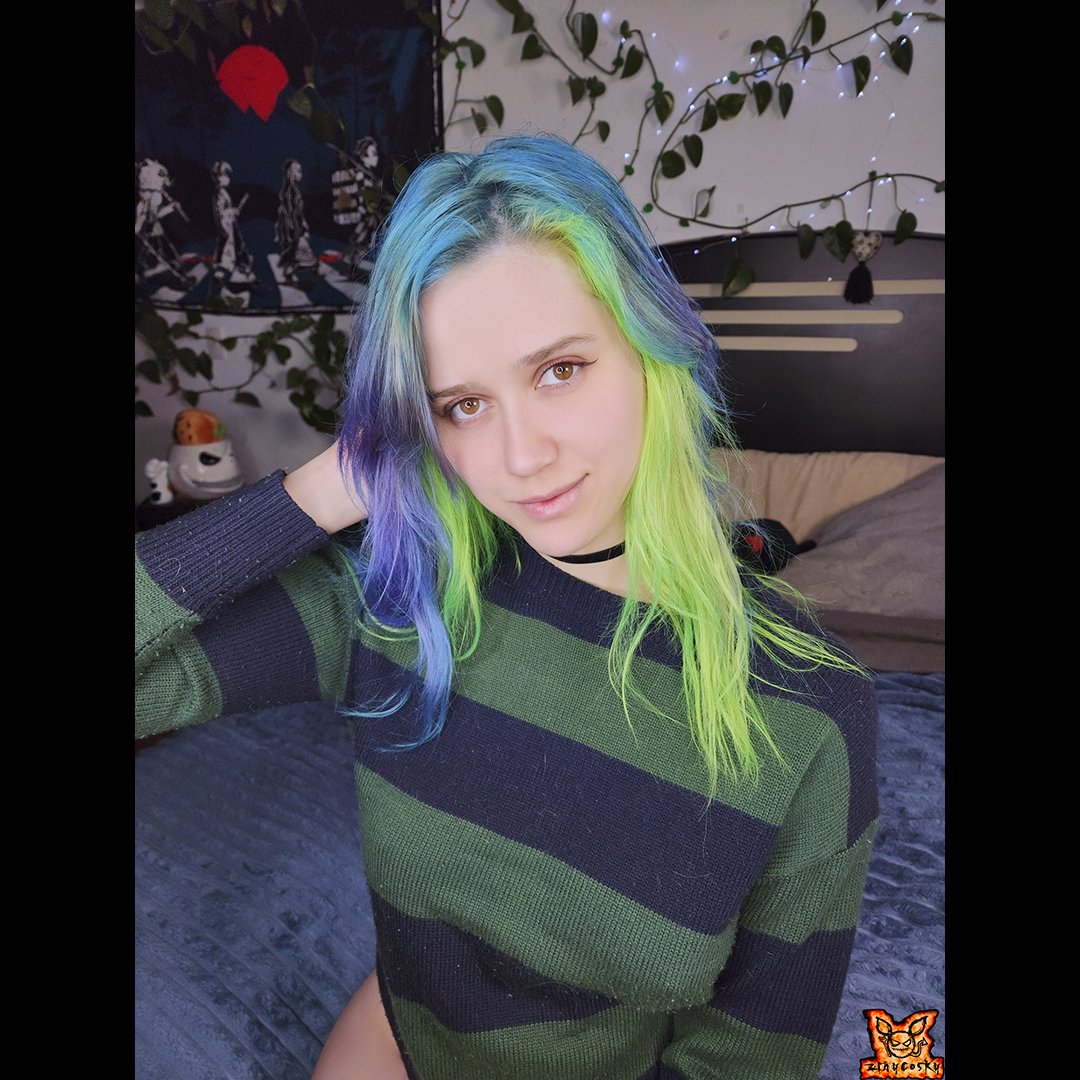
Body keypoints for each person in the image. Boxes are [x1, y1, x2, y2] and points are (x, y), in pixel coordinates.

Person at [135, 134, 878, 1079]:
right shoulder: (396, 594)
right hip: (396, 1039)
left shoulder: (812, 707)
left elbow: (749, 1058)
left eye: (559, 370)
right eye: (462, 406)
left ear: (652, 346)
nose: (522, 458)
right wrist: (321, 489)